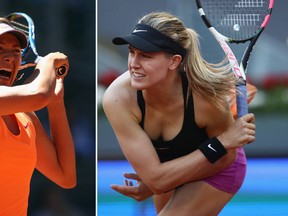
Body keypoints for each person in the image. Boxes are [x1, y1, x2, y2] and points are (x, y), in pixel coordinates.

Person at [102, 11, 256, 216]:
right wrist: (159, 180)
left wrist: (221, 145)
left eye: (146, 55)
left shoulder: (206, 99)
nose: (133, 63)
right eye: (132, 52)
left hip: (220, 167)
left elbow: (225, 156)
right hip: (173, 168)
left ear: (174, 61)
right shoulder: (117, 98)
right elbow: (157, 180)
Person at [0, 17, 76, 215]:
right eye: (0, 49)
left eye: (16, 51)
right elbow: (38, 94)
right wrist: (49, 62)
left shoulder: (25, 115)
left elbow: (65, 176)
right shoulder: (34, 98)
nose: (9, 57)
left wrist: (56, 103)